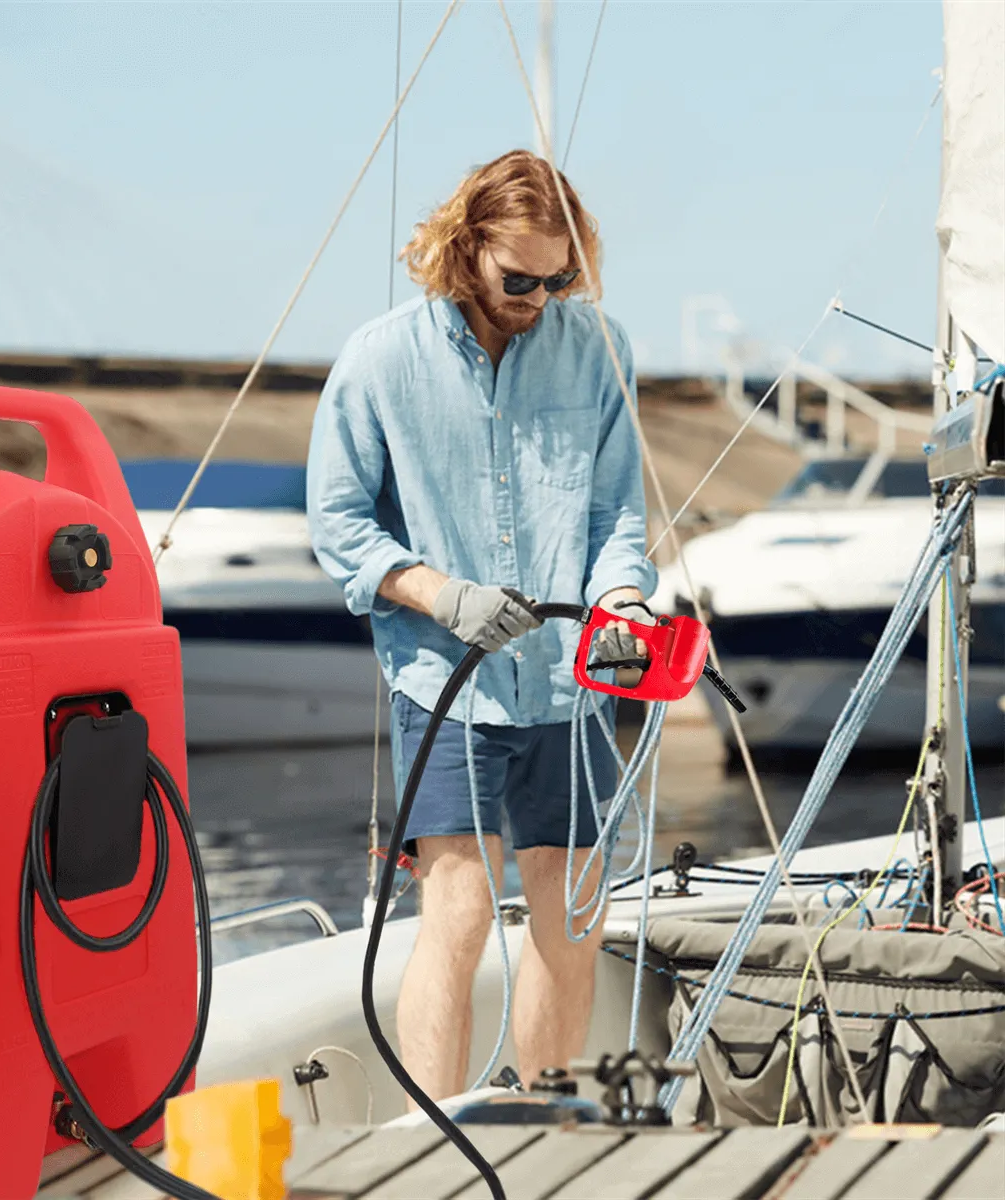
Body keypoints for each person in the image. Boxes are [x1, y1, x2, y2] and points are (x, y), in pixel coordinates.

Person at [306, 149, 657, 1104]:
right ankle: (436, 1144)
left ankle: (543, 1124)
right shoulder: (379, 359)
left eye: (560, 278)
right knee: (457, 913)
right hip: (443, 676)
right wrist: (436, 592)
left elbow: (618, 517)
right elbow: (338, 523)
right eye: (520, 279)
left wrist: (622, 600)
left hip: (573, 682)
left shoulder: (601, 348)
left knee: (570, 915)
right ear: (466, 248)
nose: (541, 297)